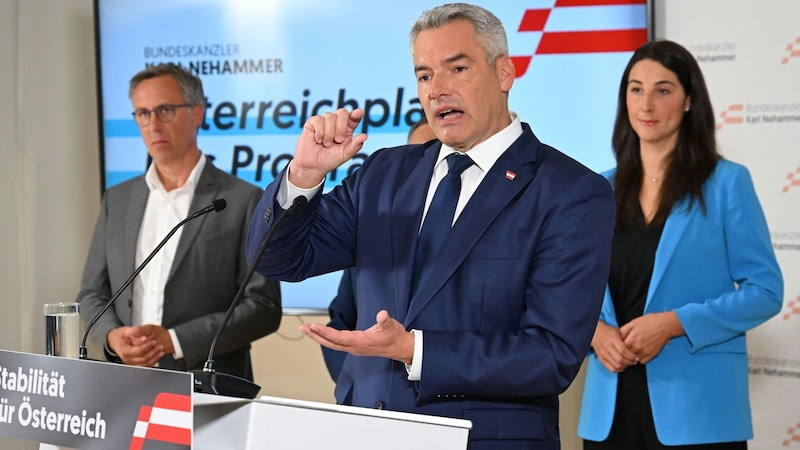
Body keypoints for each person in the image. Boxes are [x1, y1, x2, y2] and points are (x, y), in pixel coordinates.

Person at [248, 3, 615, 447]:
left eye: (456, 68)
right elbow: (278, 258)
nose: (437, 89)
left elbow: (551, 354)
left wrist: (415, 351)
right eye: (424, 75)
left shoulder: (569, 191)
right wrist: (304, 175)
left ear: (504, 73)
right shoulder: (385, 174)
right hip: (367, 433)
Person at [577, 40, 783, 449]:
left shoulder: (727, 184)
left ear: (689, 101)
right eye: (635, 89)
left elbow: (766, 292)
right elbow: (569, 292)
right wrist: (594, 333)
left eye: (663, 90)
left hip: (699, 413)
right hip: (609, 409)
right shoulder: (599, 189)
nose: (646, 104)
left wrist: (674, 324)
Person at [77, 63, 282, 380]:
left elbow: (263, 307)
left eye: (165, 110)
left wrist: (174, 341)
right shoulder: (116, 201)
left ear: (197, 113)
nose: (153, 124)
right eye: (142, 114)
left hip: (207, 386)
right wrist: (111, 337)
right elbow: (92, 294)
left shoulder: (243, 199)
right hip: (125, 383)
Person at [322, 115, 437, 381]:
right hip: (373, 397)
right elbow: (341, 319)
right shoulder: (375, 229)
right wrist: (352, 378)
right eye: (418, 153)